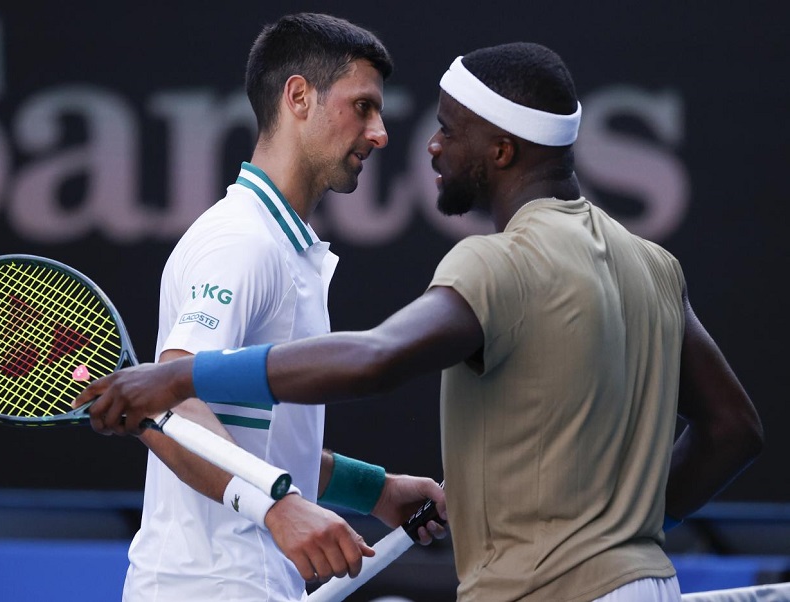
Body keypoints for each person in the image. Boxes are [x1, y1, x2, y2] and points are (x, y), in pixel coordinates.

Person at [77, 42, 764, 601]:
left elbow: (373, 359)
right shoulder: (654, 265)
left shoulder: (496, 262)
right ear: (297, 98)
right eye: (365, 107)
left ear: (501, 150)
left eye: (448, 131)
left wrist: (178, 379)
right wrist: (624, 535)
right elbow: (735, 429)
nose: (414, 143)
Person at [113, 13, 446, 602]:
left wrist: (376, 491)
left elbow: (262, 443)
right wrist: (278, 506)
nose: (379, 133)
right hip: (210, 586)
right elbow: (167, 403)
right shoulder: (242, 242)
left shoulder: (276, 244)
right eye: (362, 107)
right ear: (298, 97)